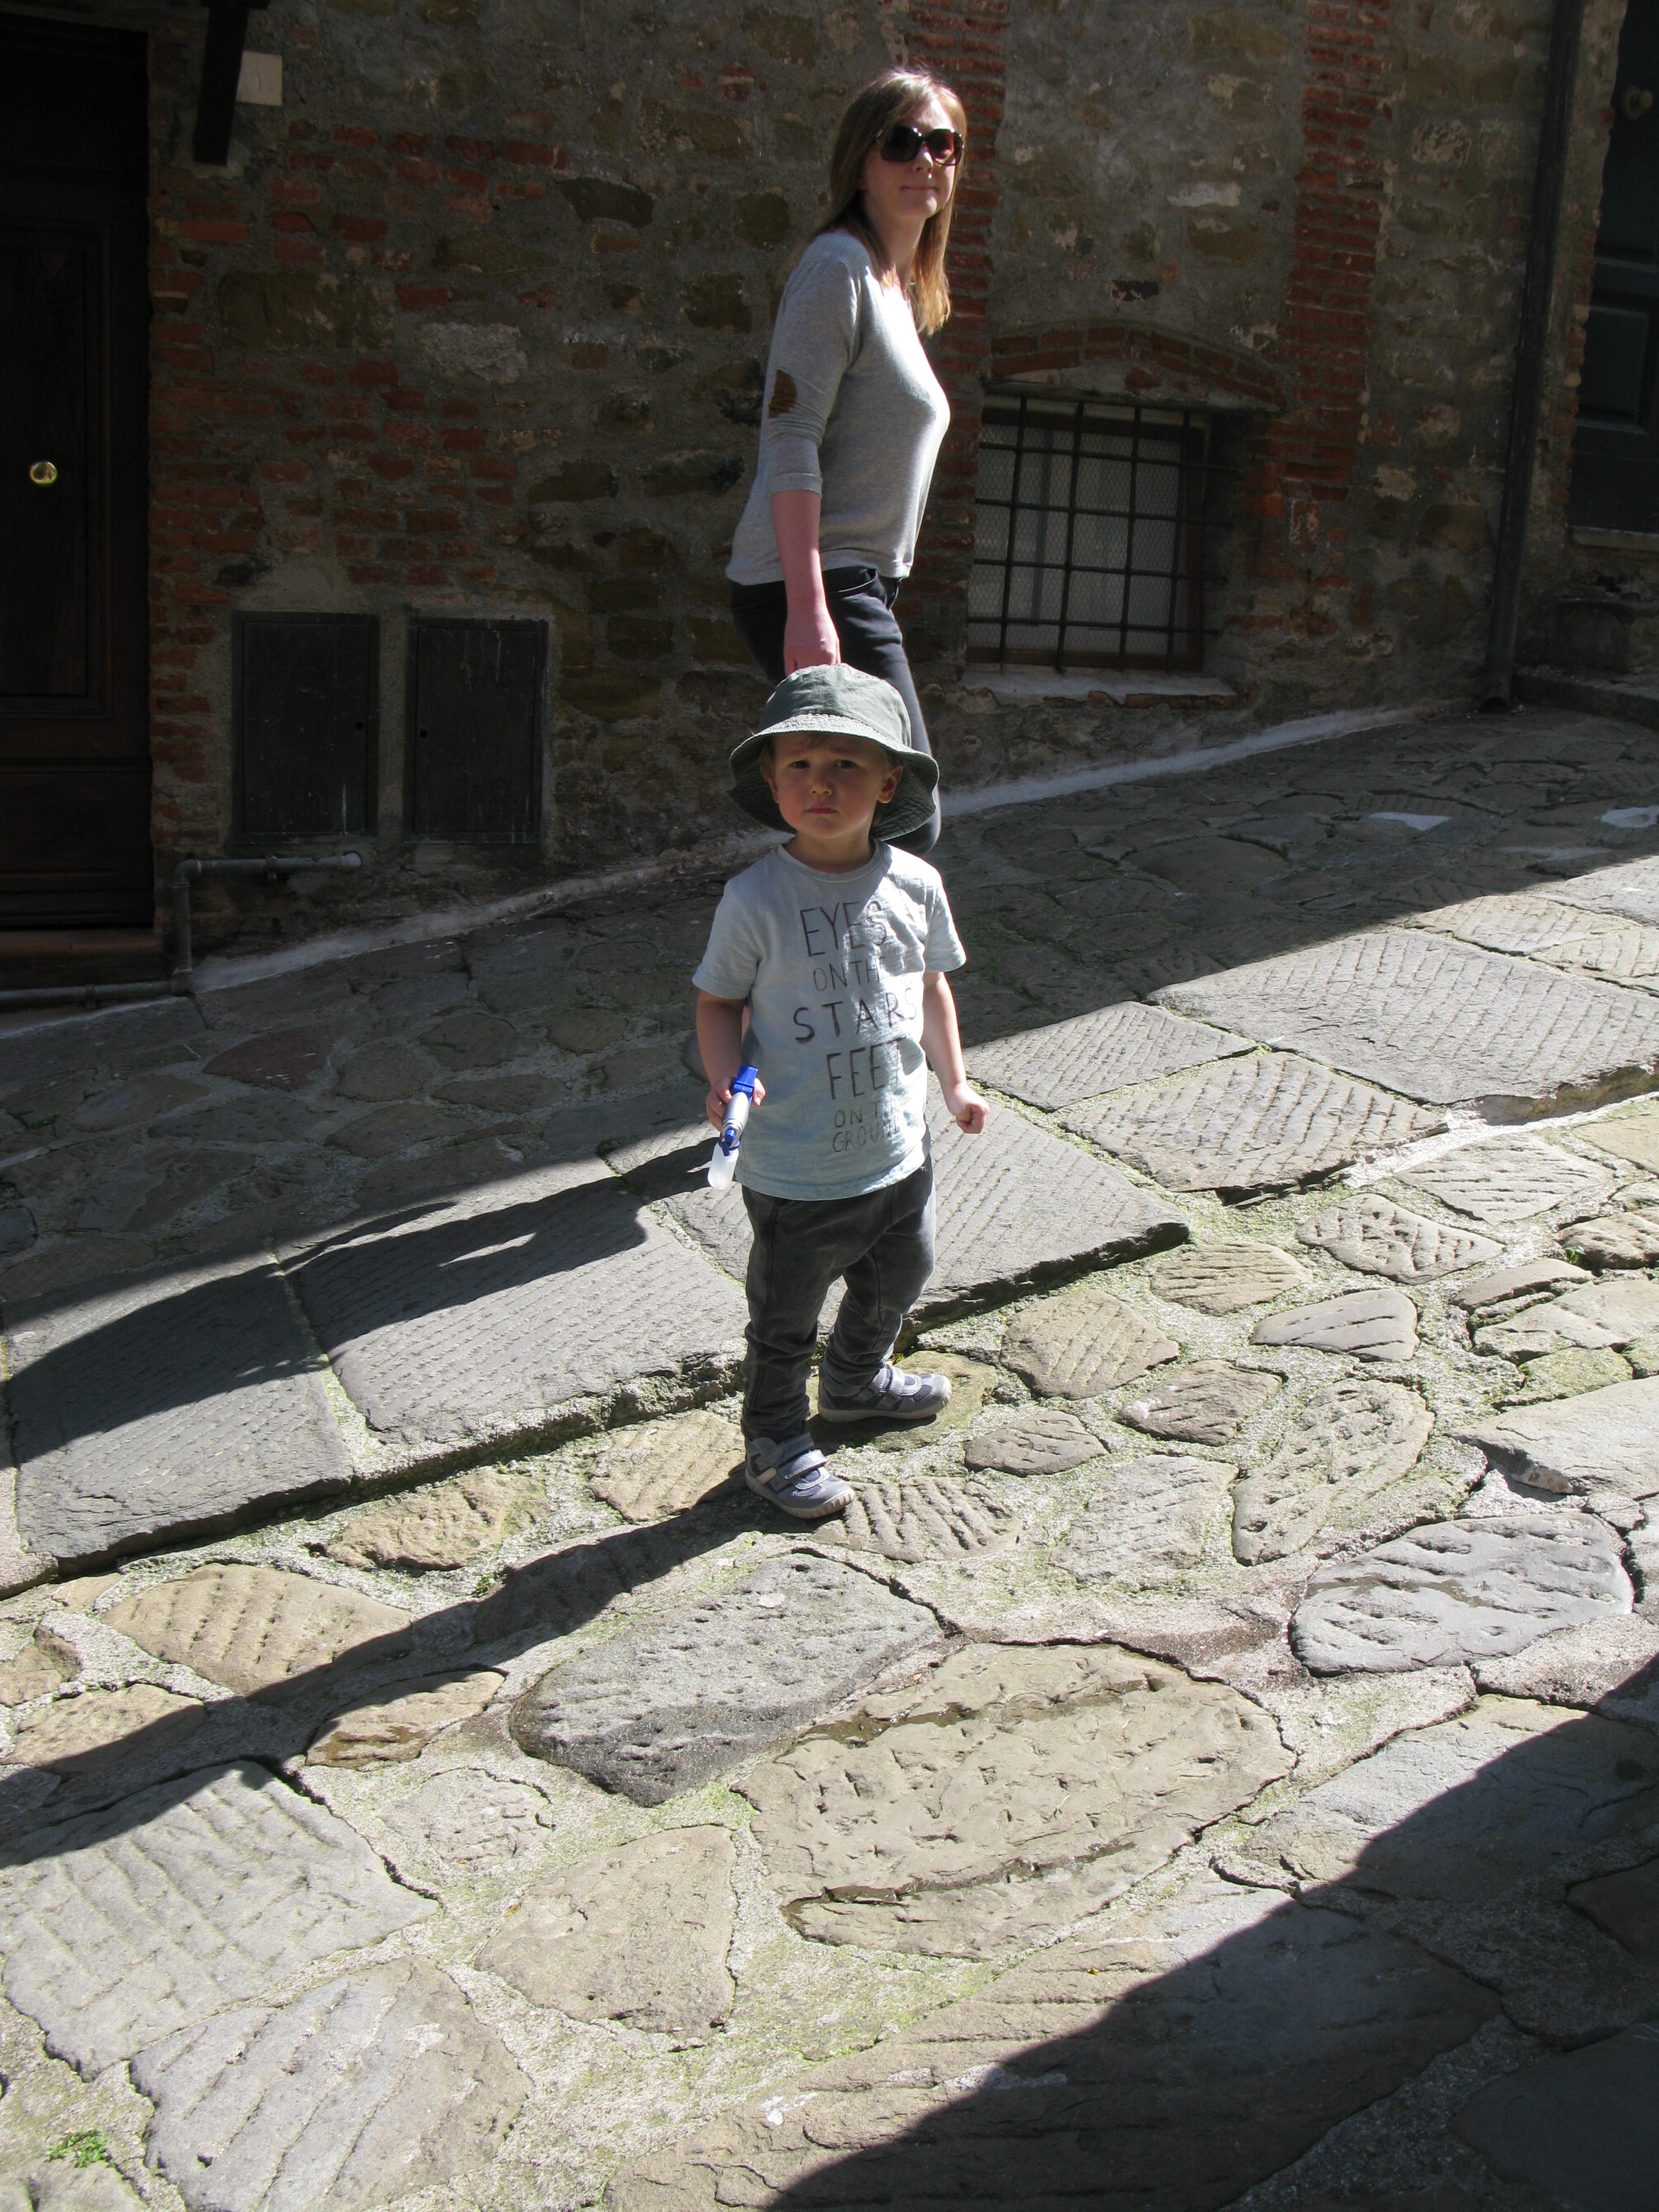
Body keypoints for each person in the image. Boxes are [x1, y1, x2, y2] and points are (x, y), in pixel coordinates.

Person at [693, 663, 988, 1520]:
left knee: (903, 1270)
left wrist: (955, 1080)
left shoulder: (915, 885)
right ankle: (775, 1437)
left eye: (846, 765)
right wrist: (722, 1078)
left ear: (889, 782)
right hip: (796, 1164)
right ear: (771, 779)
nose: (820, 784)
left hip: (898, 1146)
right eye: (800, 765)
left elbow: (930, 986)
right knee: (785, 1317)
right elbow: (717, 1002)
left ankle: (856, 1379)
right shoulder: (754, 899)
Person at [725, 67, 967, 857]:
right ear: (860, 161)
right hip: (815, 581)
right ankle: (789, 926)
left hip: (854, 582)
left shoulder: (895, 288)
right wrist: (808, 607)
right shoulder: (838, 269)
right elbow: (789, 437)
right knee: (906, 810)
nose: (924, 158)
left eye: (943, 144)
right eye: (901, 142)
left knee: (870, 807)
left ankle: (816, 934)